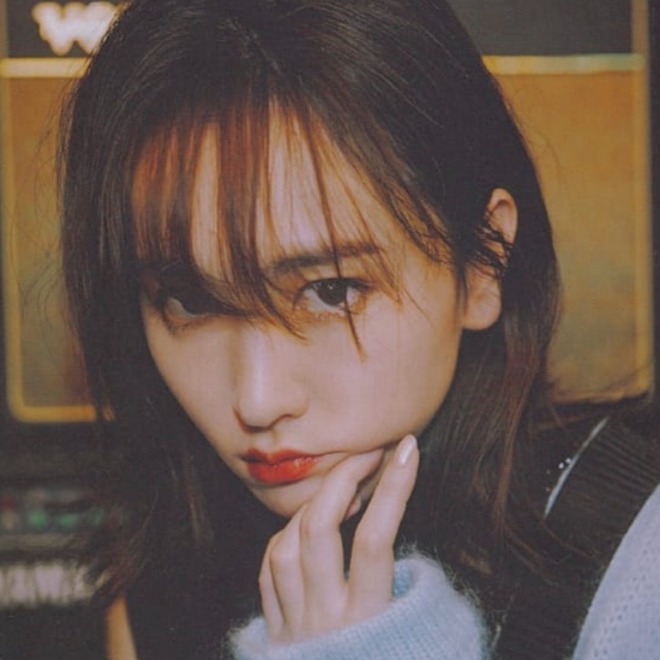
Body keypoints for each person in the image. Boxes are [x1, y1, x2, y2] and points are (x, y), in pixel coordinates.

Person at [58, 0, 660, 658]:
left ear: (483, 264)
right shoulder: (163, 586)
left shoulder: (637, 560)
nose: (257, 399)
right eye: (189, 301)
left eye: (331, 291)